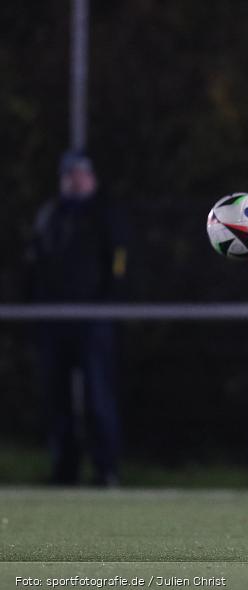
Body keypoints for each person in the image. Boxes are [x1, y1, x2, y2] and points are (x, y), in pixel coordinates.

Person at [27, 150, 127, 486]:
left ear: (92, 177)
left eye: (81, 173)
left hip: (94, 321)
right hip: (54, 322)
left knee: (99, 397)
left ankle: (105, 470)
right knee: (57, 400)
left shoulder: (104, 213)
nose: (75, 179)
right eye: (69, 174)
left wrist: (110, 302)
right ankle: (63, 470)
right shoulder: (50, 215)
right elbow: (35, 262)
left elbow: (120, 261)